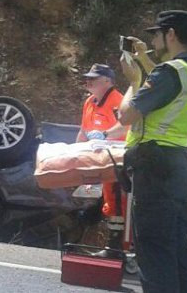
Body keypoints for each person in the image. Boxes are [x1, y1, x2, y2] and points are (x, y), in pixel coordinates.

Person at [118, 10, 187, 292]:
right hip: (179, 166)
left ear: (170, 34)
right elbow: (168, 86)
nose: (154, 42)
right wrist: (145, 62)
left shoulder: (168, 74)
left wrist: (133, 80)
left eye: (156, 35)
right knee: (175, 251)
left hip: (155, 167)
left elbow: (126, 116)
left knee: (154, 252)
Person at [76, 62, 128, 249]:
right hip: (96, 160)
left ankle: (116, 247)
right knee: (107, 204)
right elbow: (83, 131)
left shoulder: (119, 102)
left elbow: (126, 125)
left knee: (116, 204)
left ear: (107, 81)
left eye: (93, 79)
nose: (87, 83)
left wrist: (105, 135)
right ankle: (108, 243)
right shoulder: (89, 103)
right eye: (87, 79)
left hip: (115, 162)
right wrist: (75, 156)